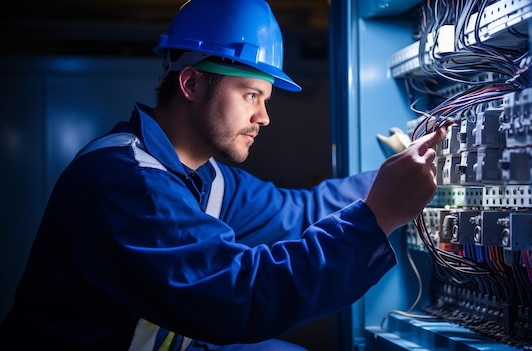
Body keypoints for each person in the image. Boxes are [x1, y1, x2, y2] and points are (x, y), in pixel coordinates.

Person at [0, 0, 448, 349]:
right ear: (191, 83)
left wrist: (393, 176)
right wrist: (378, 216)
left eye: (266, 98)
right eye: (251, 95)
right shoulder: (127, 181)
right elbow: (240, 297)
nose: (264, 117)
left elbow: (299, 212)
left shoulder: (206, 178)